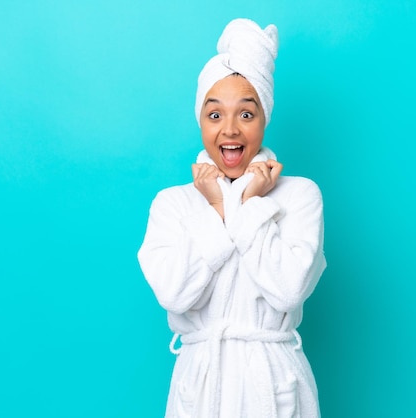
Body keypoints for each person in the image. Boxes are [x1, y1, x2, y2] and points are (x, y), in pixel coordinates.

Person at [137, 18, 326, 418]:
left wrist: (252, 204)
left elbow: (289, 290)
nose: (230, 131)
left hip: (273, 384)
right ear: (200, 120)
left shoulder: (301, 195)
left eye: (246, 113)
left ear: (264, 117)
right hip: (201, 386)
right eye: (215, 115)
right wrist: (219, 210)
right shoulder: (172, 203)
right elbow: (174, 294)